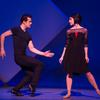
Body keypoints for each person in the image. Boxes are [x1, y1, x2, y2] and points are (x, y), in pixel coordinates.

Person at [0, 14, 54, 96]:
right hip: (19, 57)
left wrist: (43, 54)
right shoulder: (16, 30)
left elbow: (32, 48)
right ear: (24, 22)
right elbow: (2, 35)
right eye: (30, 21)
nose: (31, 23)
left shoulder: (28, 35)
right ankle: (33, 85)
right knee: (40, 64)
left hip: (23, 57)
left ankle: (15, 90)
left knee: (30, 75)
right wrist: (2, 49)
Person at [59, 13, 100, 98]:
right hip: (70, 54)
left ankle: (97, 89)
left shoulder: (84, 30)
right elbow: (66, 45)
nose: (69, 21)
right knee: (69, 73)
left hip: (80, 54)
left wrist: (86, 56)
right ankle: (69, 92)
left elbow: (85, 44)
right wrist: (62, 56)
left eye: (70, 19)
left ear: (75, 19)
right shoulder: (69, 31)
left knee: (88, 72)